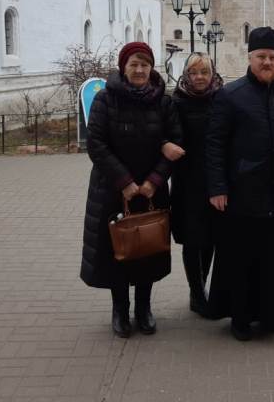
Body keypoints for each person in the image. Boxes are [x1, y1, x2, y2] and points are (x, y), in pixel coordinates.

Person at [205, 27, 274, 341]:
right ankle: (241, 317)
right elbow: (215, 145)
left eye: (272, 57)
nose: (267, 62)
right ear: (250, 57)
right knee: (243, 259)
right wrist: (217, 187)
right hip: (243, 194)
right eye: (261, 56)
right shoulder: (230, 95)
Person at [80, 42, 183, 337]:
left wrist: (154, 181)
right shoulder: (105, 99)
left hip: (151, 189)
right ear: (123, 67)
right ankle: (120, 310)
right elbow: (96, 144)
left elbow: (175, 142)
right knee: (117, 251)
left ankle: (144, 309)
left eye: (145, 65)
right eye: (134, 64)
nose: (139, 70)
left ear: (151, 68)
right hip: (112, 189)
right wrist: (124, 182)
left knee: (147, 249)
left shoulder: (163, 102)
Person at [169, 52, 223, 318]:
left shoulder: (222, 99)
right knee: (192, 239)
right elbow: (166, 134)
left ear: (212, 74)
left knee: (211, 237)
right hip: (187, 180)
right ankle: (196, 292)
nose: (199, 77)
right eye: (193, 72)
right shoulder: (176, 101)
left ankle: (203, 284)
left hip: (215, 181)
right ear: (186, 75)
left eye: (204, 72)